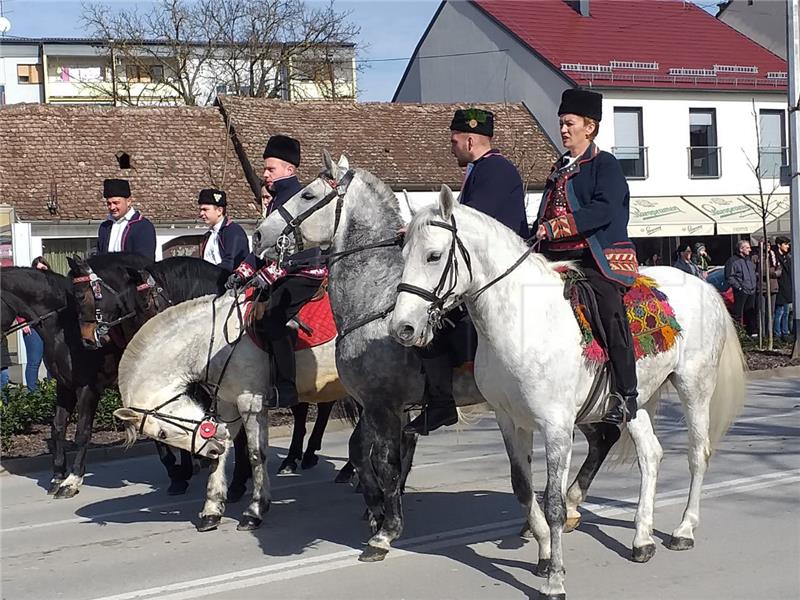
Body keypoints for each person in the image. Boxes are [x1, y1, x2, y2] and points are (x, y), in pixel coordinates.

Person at [405, 107, 528, 435]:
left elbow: (472, 225)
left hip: (497, 275)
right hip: (482, 270)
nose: (451, 146)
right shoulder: (483, 170)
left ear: (470, 139)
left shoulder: (495, 171)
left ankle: (443, 401)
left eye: (454, 140)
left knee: (433, 320)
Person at [533, 88, 640, 426]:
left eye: (569, 124)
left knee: (609, 311)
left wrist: (557, 226)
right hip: (552, 258)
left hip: (594, 258)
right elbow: (545, 212)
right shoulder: (558, 168)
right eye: (561, 124)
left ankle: (626, 395)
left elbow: (605, 210)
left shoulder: (604, 164)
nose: (563, 130)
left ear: (589, 127)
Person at [226, 135, 326, 409]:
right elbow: (263, 246)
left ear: (289, 170)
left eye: (271, 169)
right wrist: (242, 271)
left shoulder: (298, 196)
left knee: (271, 318)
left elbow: (302, 246)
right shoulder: (275, 198)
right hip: (280, 270)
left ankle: (286, 387)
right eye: (265, 169)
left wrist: (269, 273)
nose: (265, 174)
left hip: (304, 271)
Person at [96, 179, 157, 260]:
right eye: (109, 203)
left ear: (128, 201)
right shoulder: (104, 227)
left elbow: (145, 260)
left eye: (116, 203)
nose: (112, 207)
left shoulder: (143, 226)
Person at [197, 189, 249, 272]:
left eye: (205, 209)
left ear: (219, 211)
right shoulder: (209, 235)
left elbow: (231, 263)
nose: (201, 214)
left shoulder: (233, 232)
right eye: (200, 210)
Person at [22, 257, 51, 392]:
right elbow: (19, 303)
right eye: (37, 269)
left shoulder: (52, 285)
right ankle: (33, 394)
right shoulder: (27, 286)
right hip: (32, 326)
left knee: (52, 361)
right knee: (34, 361)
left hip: (50, 326)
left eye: (43, 269)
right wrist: (22, 322)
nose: (41, 272)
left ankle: (52, 390)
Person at [724, 240, 758, 335]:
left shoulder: (749, 260)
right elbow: (729, 277)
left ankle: (752, 333)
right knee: (738, 313)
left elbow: (753, 273)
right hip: (741, 291)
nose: (750, 250)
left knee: (750, 312)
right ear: (741, 249)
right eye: (747, 248)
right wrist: (739, 288)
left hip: (751, 290)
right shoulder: (732, 261)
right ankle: (738, 333)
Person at [773, 236, 793, 340]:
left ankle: (785, 333)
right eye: (785, 244)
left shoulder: (787, 257)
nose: (788, 246)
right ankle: (777, 333)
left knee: (785, 312)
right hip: (780, 288)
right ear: (779, 245)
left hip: (787, 288)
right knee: (779, 312)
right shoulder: (775, 257)